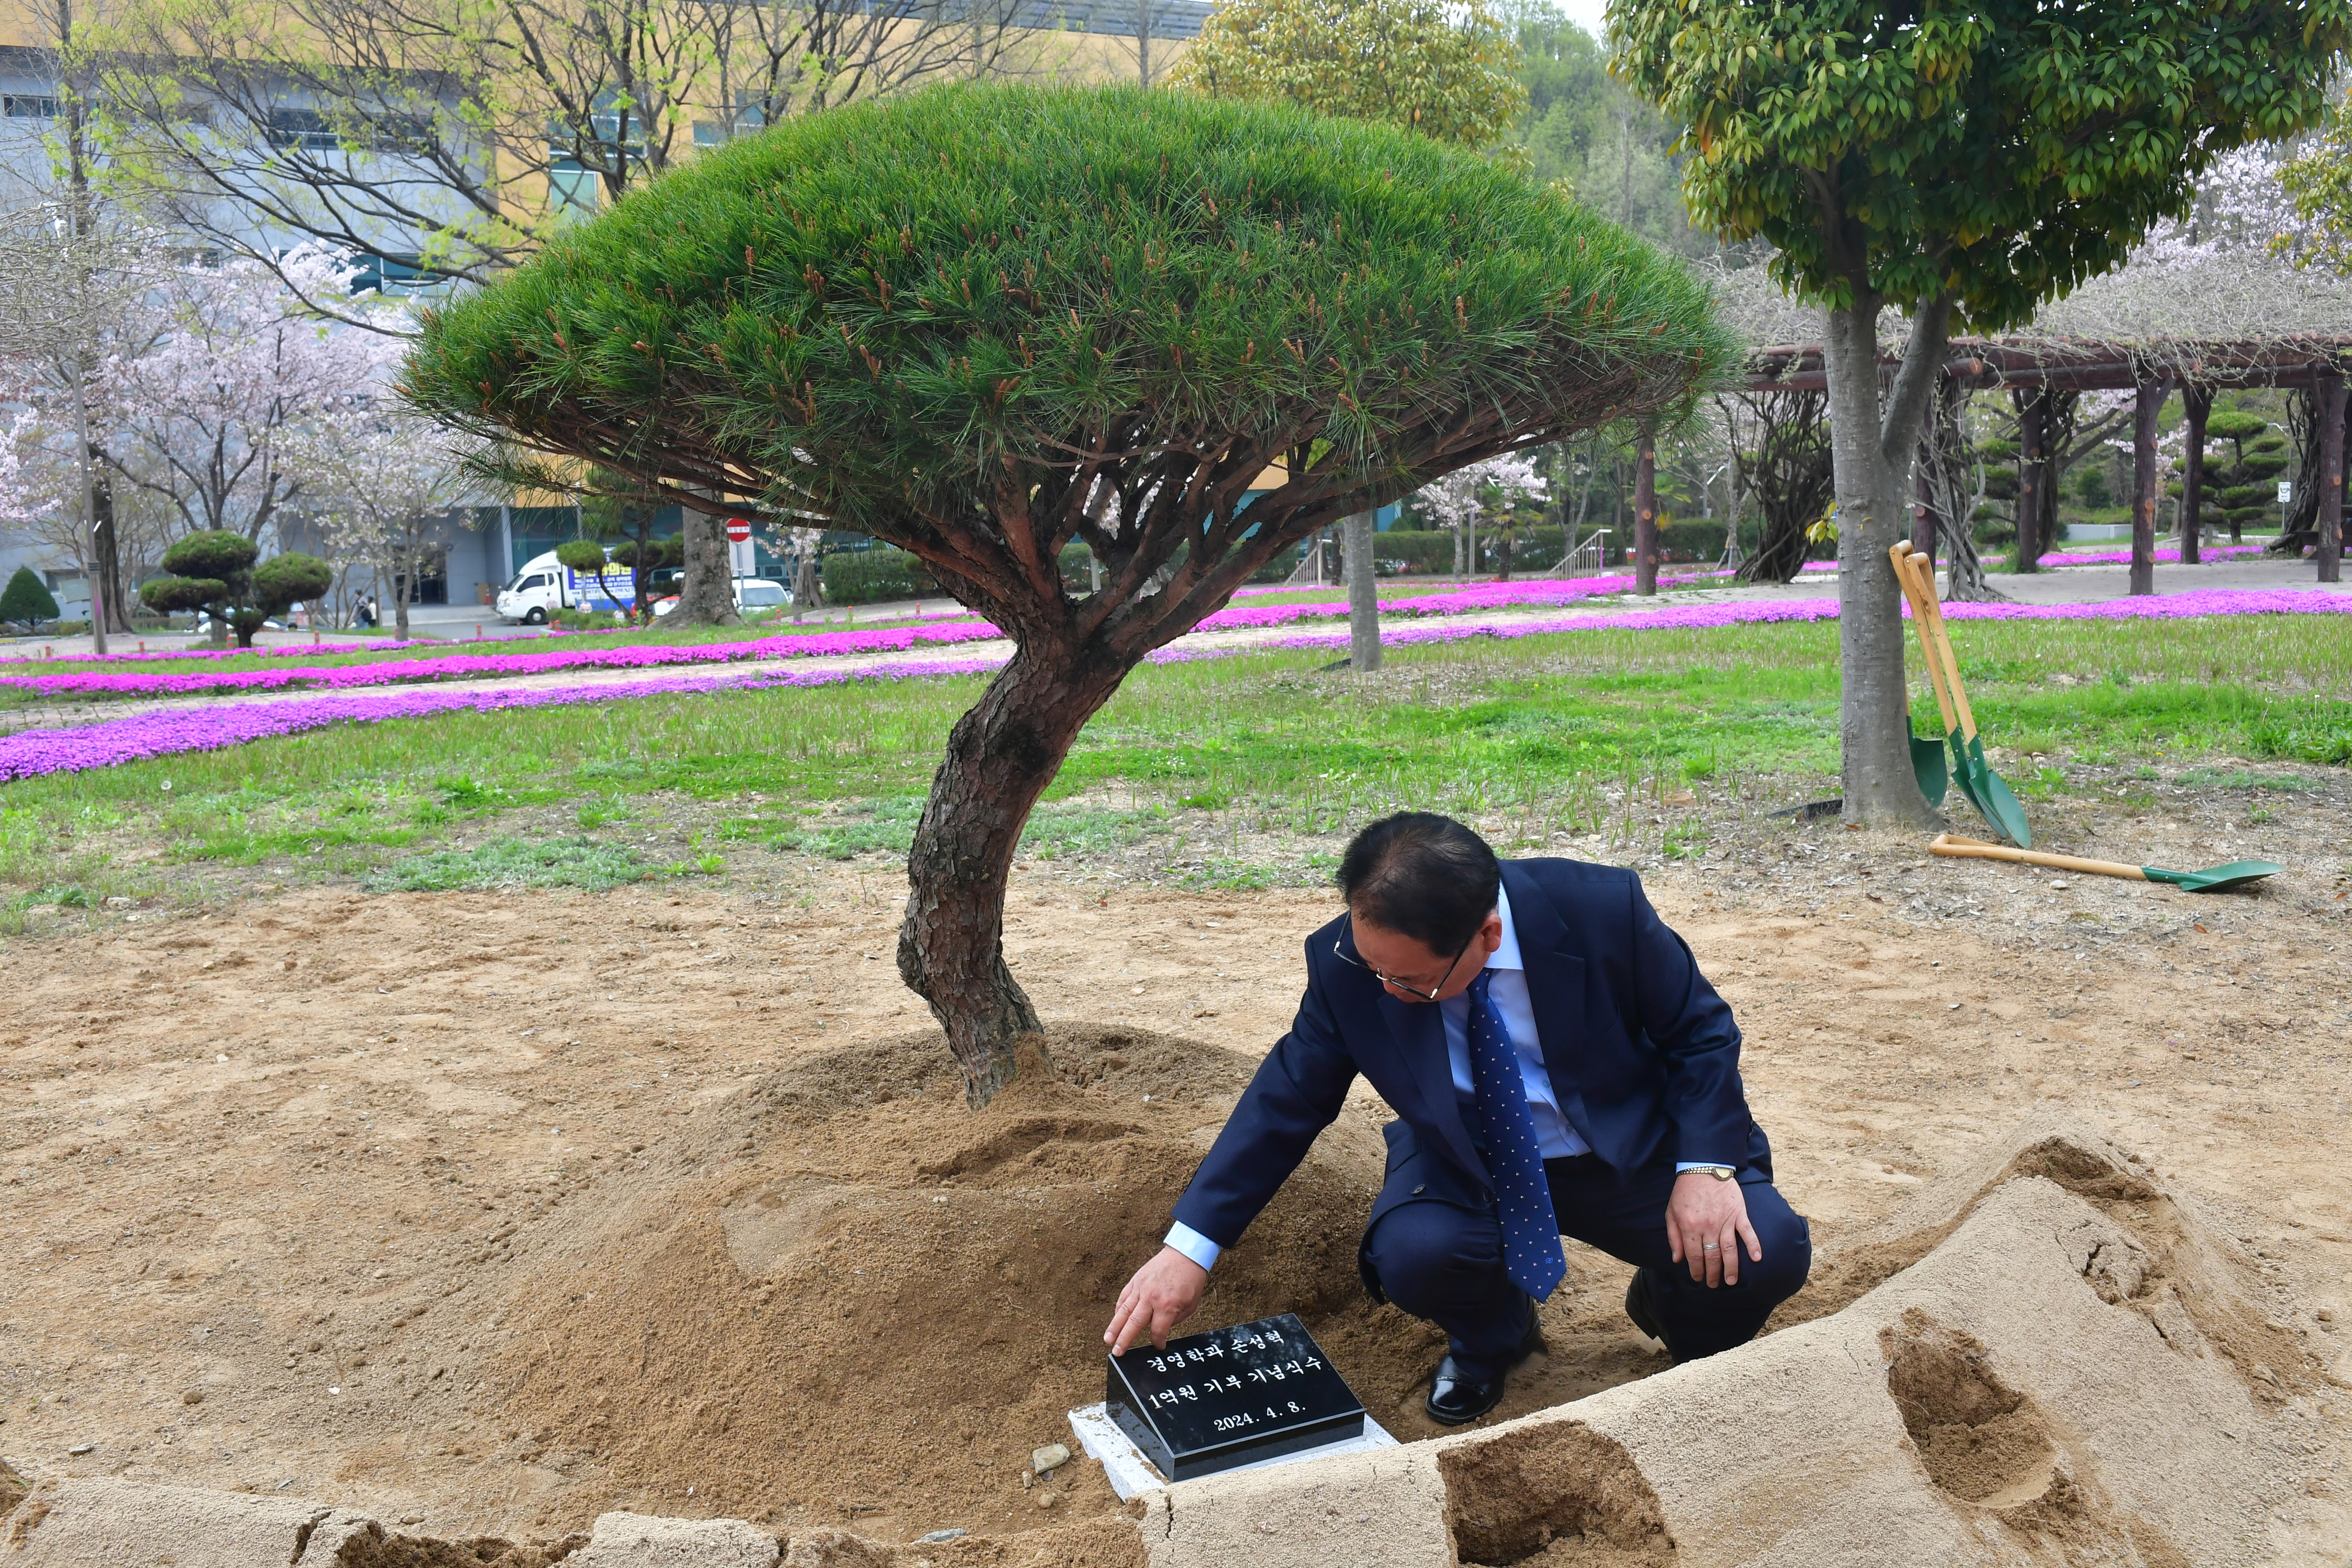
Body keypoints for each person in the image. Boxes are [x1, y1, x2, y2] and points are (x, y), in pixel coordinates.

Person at [1103, 811, 1812, 1425]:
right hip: (1471, 1156)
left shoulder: (1602, 909)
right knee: (1416, 1255)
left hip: (1630, 1145)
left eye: (1412, 982)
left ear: (1488, 933)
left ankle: (1675, 1309)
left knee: (1763, 1250)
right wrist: (1189, 1247)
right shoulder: (1347, 960)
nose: (1386, 988)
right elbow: (1287, 1098)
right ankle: (1491, 1343)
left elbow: (1702, 1033)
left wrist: (1705, 1169)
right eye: (1373, 968)